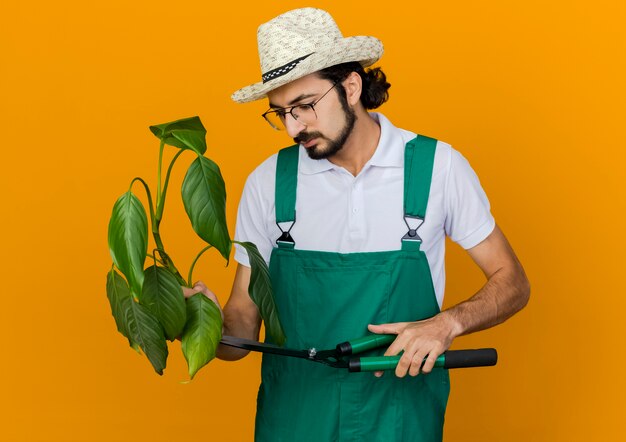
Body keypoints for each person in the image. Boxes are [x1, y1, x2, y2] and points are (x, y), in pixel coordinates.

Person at [184, 7, 530, 442]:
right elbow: (241, 329)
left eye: (304, 106)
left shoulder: (437, 168)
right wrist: (196, 319)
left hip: (401, 421)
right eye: (280, 113)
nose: (294, 127)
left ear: (351, 86)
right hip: (294, 421)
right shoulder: (268, 183)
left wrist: (447, 324)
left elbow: (513, 282)